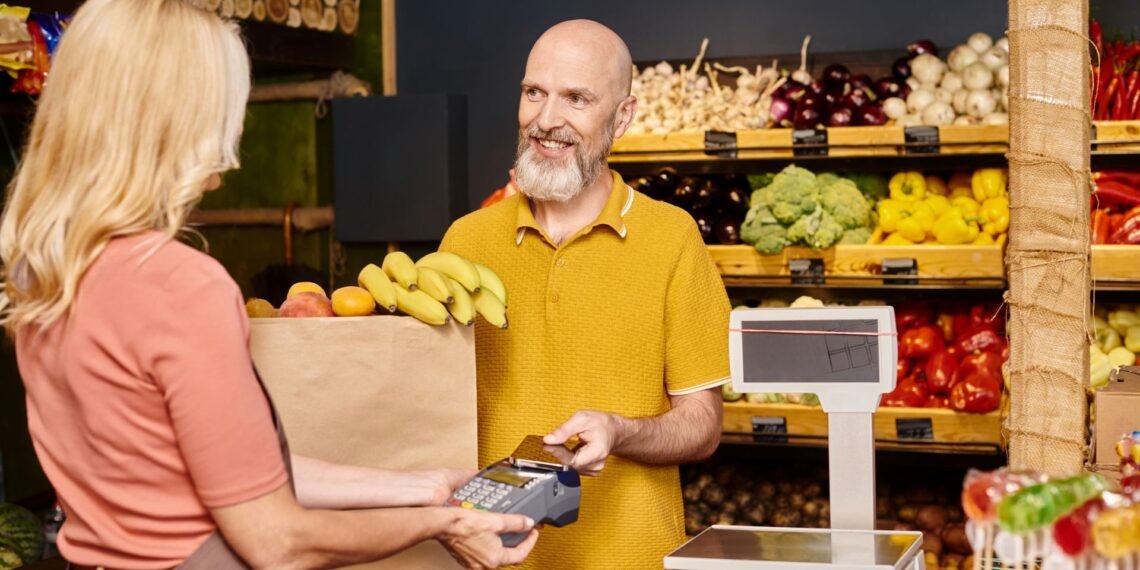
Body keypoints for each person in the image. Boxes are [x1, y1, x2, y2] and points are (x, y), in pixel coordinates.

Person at [0, 1, 536, 568]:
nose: (228, 152)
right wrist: (443, 522)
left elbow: (235, 477)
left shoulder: (44, 272)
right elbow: (275, 539)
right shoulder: (180, 286)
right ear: (172, 122)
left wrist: (422, 486)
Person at [440, 19, 730, 569]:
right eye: (534, 93)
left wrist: (620, 431)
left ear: (622, 116)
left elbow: (703, 425)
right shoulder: (466, 241)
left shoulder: (671, 238)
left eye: (576, 98)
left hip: (630, 558)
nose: (547, 121)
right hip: (489, 558)